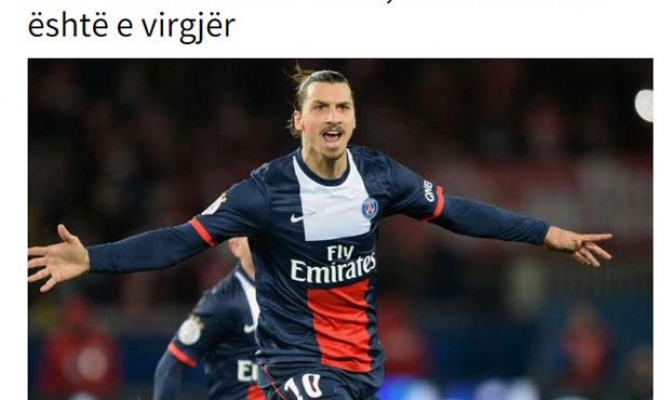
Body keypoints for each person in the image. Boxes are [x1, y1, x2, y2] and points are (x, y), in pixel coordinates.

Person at [28, 67, 612, 400]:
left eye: (343, 107)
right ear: (299, 120)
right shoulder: (263, 193)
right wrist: (92, 259)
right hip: (296, 365)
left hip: (361, 365)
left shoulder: (380, 176)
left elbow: (458, 212)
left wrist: (544, 233)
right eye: (322, 107)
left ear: (353, 118)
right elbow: (181, 240)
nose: (333, 117)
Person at [153, 237, 264, 400]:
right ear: (235, 247)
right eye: (253, 236)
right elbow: (171, 365)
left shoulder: (291, 291)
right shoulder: (221, 302)